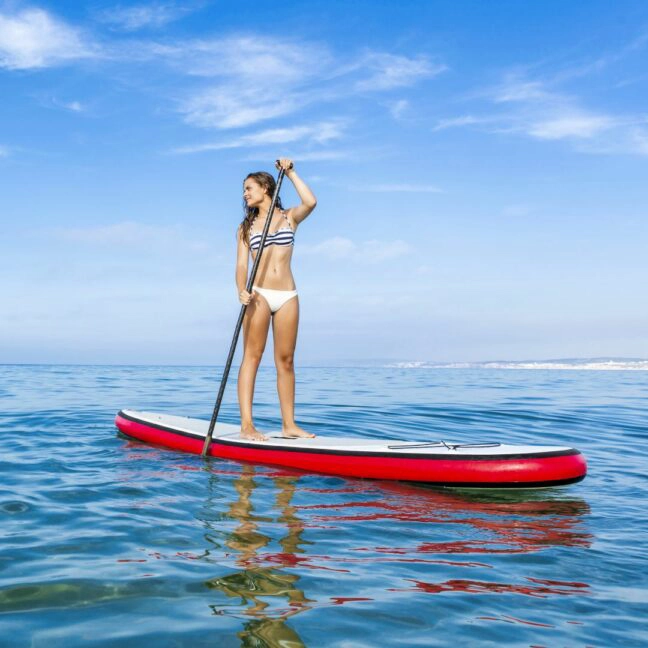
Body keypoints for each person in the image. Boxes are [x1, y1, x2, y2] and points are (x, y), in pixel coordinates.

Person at [236, 158, 317, 442]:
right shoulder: (245, 228)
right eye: (244, 190)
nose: (245, 193)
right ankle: (247, 425)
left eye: (249, 188)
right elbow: (241, 266)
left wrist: (292, 173)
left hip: (287, 295)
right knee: (252, 358)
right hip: (258, 295)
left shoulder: (289, 217)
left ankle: (289, 425)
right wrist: (240, 290)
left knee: (286, 360)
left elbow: (311, 201)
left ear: (266, 187)